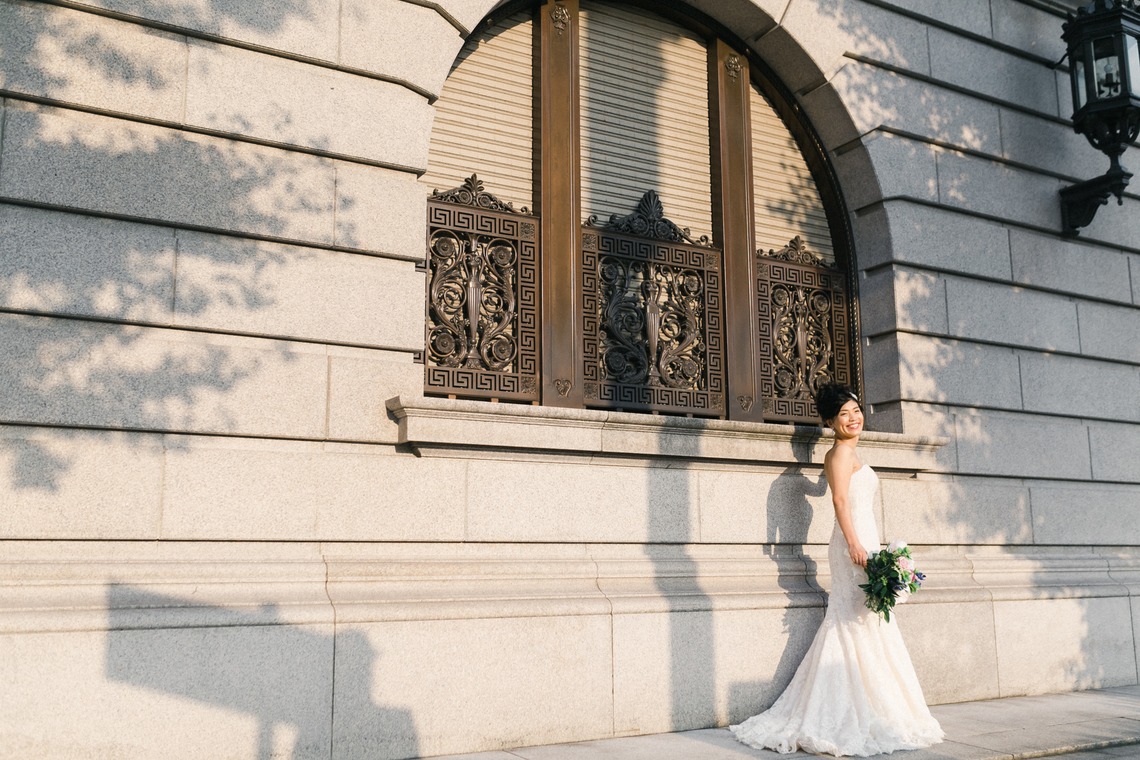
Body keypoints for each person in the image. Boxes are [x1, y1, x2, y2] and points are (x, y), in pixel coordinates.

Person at [729, 383, 944, 756]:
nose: (853, 418)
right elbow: (840, 501)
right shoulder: (840, 455)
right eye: (843, 414)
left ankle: (872, 703)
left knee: (865, 621)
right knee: (854, 621)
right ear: (830, 421)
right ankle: (852, 707)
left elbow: (829, 491)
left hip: (863, 540)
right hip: (853, 544)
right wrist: (855, 544)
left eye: (856, 410)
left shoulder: (841, 454)